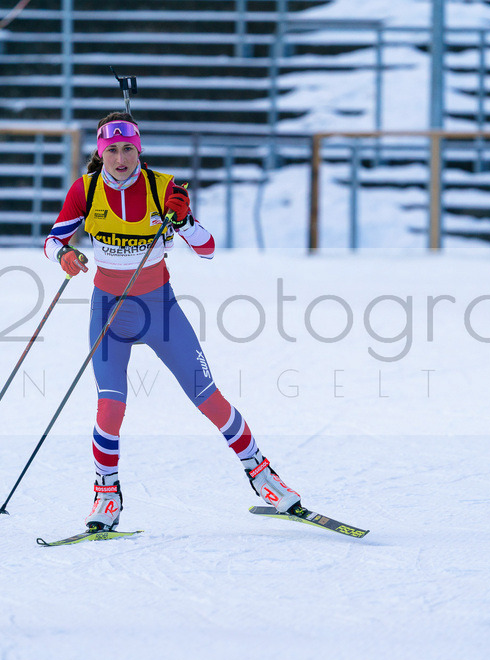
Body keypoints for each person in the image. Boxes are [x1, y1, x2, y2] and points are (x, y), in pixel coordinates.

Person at [44, 112, 300, 531]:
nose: (121, 158)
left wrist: (182, 223)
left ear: (139, 149)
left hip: (159, 310)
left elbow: (208, 248)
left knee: (207, 397)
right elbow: (54, 239)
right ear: (100, 153)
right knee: (110, 406)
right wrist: (64, 256)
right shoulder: (85, 190)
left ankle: (262, 475)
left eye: (128, 149)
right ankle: (106, 493)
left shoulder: (165, 189)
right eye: (112, 150)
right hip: (109, 310)